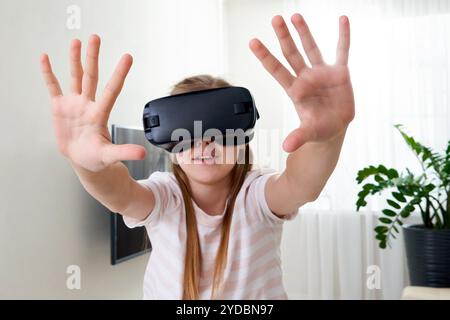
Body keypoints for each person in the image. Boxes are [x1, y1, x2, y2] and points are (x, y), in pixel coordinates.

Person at [40, 14, 354, 299]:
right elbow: (119, 192)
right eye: (187, 134)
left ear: (243, 139)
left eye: (220, 132)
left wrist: (327, 139)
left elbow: (301, 185)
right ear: (171, 149)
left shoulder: (256, 195)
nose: (204, 145)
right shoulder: (165, 197)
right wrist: (85, 165)